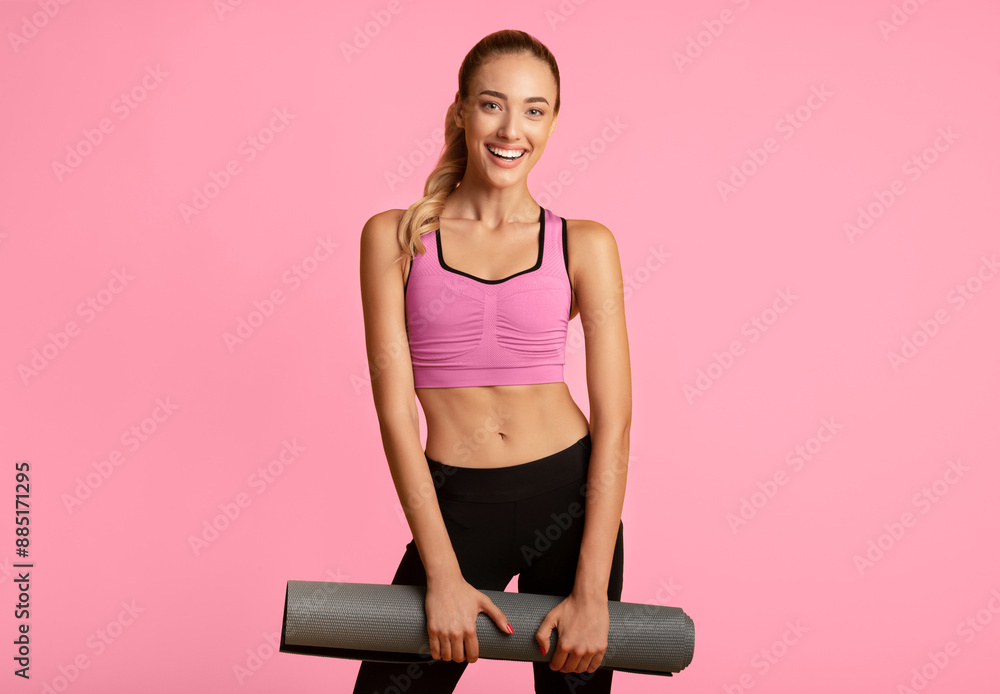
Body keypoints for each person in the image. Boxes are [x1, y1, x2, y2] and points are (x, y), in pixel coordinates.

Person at [355, 29, 631, 693]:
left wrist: (592, 593)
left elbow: (616, 422)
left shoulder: (585, 245)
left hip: (568, 501)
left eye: (535, 110)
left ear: (554, 121)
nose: (513, 128)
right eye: (492, 104)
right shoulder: (395, 236)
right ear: (460, 111)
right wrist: (442, 574)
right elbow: (395, 417)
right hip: (455, 507)